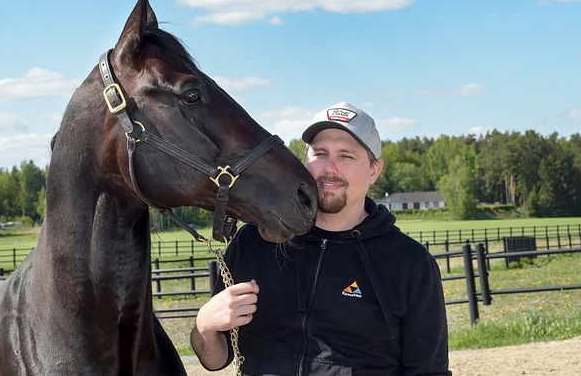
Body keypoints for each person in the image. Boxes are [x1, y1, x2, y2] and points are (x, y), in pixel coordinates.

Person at [190, 102, 450, 375]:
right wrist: (205, 327)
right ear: (305, 160)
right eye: (320, 153)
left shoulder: (409, 263)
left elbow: (429, 370)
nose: (330, 168)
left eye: (346, 156)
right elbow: (215, 360)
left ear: (374, 170)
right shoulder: (256, 241)